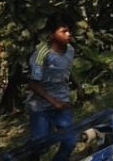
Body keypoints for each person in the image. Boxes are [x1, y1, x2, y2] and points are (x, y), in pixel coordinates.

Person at [26, 14, 80, 161]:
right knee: (41, 145)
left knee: (70, 140)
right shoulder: (41, 55)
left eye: (69, 31)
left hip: (62, 102)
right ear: (52, 35)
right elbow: (33, 84)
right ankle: (28, 155)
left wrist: (78, 85)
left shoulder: (70, 50)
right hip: (41, 107)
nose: (68, 34)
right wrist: (53, 102)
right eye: (63, 31)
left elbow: (66, 70)